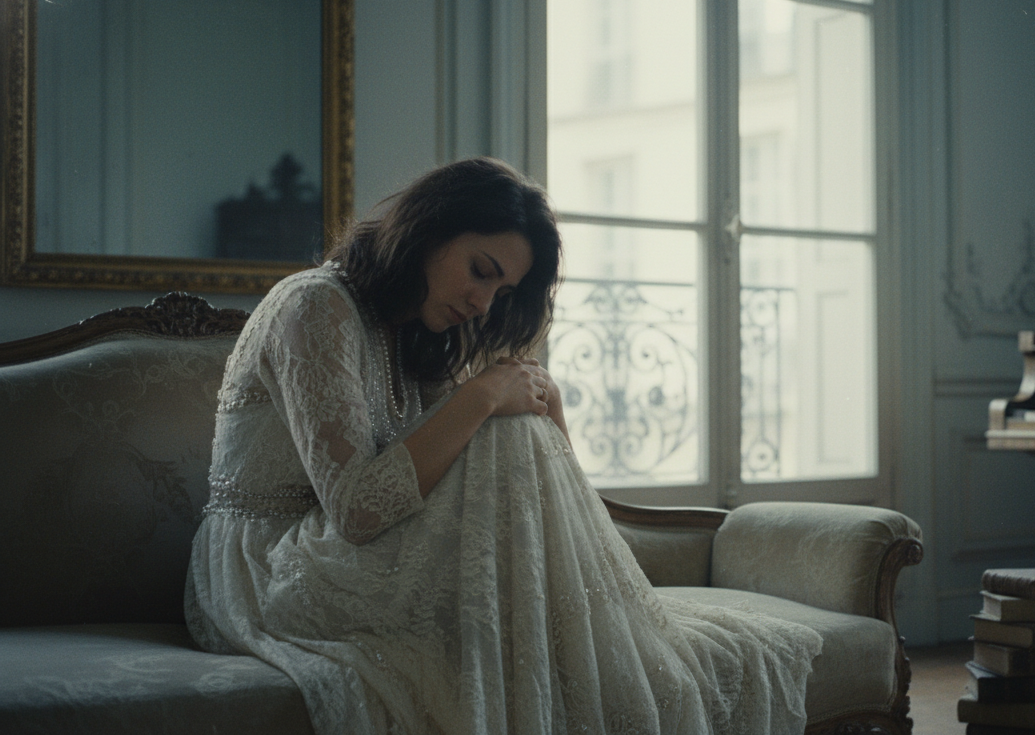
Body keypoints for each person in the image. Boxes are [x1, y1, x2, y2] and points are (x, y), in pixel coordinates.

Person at [185, 157, 821, 734]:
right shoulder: (315, 305)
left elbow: (501, 470)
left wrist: (546, 404)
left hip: (347, 552)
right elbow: (355, 509)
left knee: (511, 423)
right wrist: (482, 396)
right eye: (481, 272)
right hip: (264, 568)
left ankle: (626, 663)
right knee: (497, 416)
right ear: (428, 231)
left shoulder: (413, 329)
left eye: (503, 292)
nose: (482, 302)